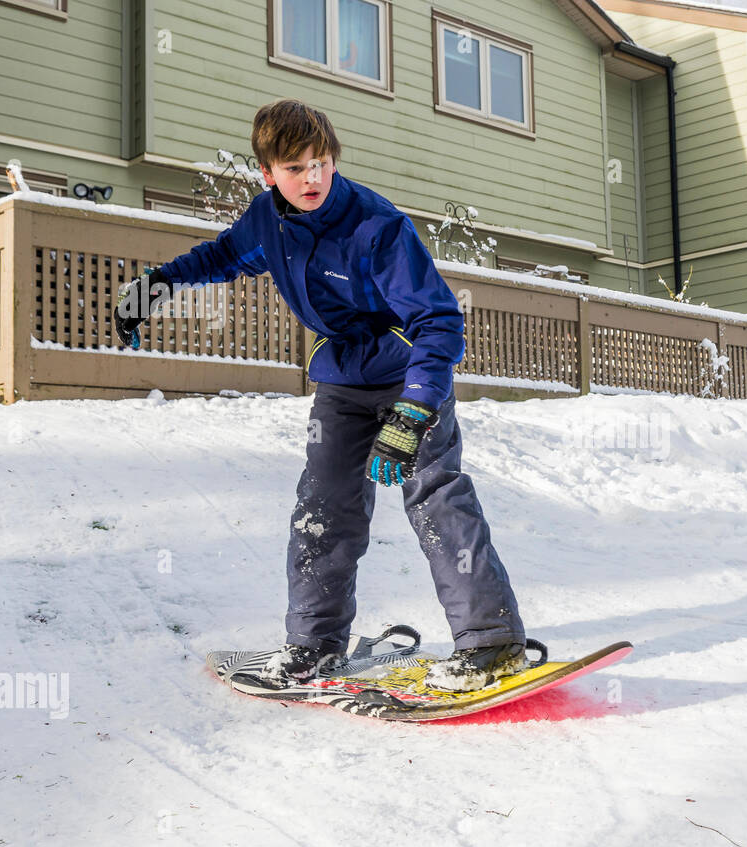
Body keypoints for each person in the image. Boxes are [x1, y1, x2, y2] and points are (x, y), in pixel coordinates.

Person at [115, 99, 529, 693]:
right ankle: (313, 643)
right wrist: (161, 283)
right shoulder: (267, 218)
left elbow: (439, 320)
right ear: (269, 174)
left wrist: (413, 412)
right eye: (295, 168)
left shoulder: (375, 226)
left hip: (409, 374)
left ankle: (491, 643)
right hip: (341, 381)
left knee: (436, 499)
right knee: (322, 509)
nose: (312, 178)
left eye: (322, 163)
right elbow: (224, 255)